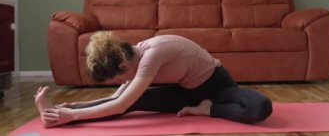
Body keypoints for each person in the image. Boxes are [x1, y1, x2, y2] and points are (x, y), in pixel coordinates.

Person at [35, 32, 272, 128]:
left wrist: (75, 114)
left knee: (260, 107)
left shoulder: (152, 55)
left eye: (120, 77)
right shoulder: (132, 60)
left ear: (123, 65)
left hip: (217, 86)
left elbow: (120, 103)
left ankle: (209, 110)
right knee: (131, 102)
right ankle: (56, 116)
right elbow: (117, 99)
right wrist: (67, 110)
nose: (121, 82)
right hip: (185, 93)